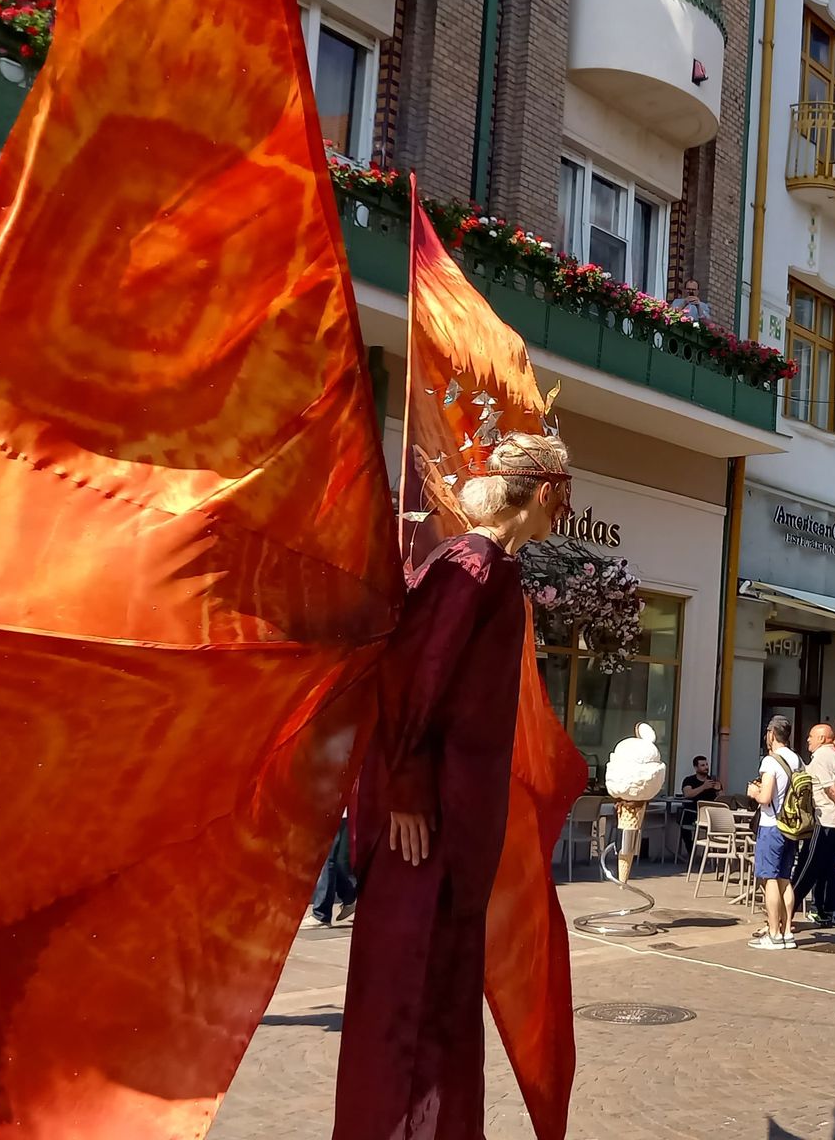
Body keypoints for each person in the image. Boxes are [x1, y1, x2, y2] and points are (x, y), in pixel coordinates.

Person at [335, 433, 574, 1139]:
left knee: (437, 1008)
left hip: (451, 833)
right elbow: (408, 670)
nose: (562, 515)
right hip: (428, 834)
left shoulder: (483, 566)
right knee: (413, 1014)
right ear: (546, 494)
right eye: (563, 500)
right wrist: (408, 786)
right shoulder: (475, 567)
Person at [792, 722, 835, 930]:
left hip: (825, 821)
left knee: (807, 867)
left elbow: (833, 790)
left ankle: (787, 909)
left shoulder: (822, 757)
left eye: (811, 736)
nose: (807, 740)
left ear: (822, 738)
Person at [747, 716, 803, 950]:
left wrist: (754, 792)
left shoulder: (770, 762)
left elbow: (766, 797)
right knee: (785, 879)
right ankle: (787, 931)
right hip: (791, 826)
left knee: (769, 878)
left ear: (771, 734)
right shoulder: (797, 759)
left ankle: (773, 934)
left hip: (772, 825)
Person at [306, 812, 357, 927]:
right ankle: (348, 897)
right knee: (331, 858)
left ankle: (321, 914)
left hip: (331, 812)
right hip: (334, 812)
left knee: (326, 858)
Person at [679, 755, 721, 852]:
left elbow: (722, 800)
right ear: (696, 767)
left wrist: (718, 790)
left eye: (706, 765)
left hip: (709, 815)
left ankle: (713, 853)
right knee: (685, 827)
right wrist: (703, 787)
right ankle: (691, 851)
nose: (706, 767)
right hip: (692, 813)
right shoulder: (689, 780)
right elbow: (687, 794)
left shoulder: (712, 781)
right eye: (702, 765)